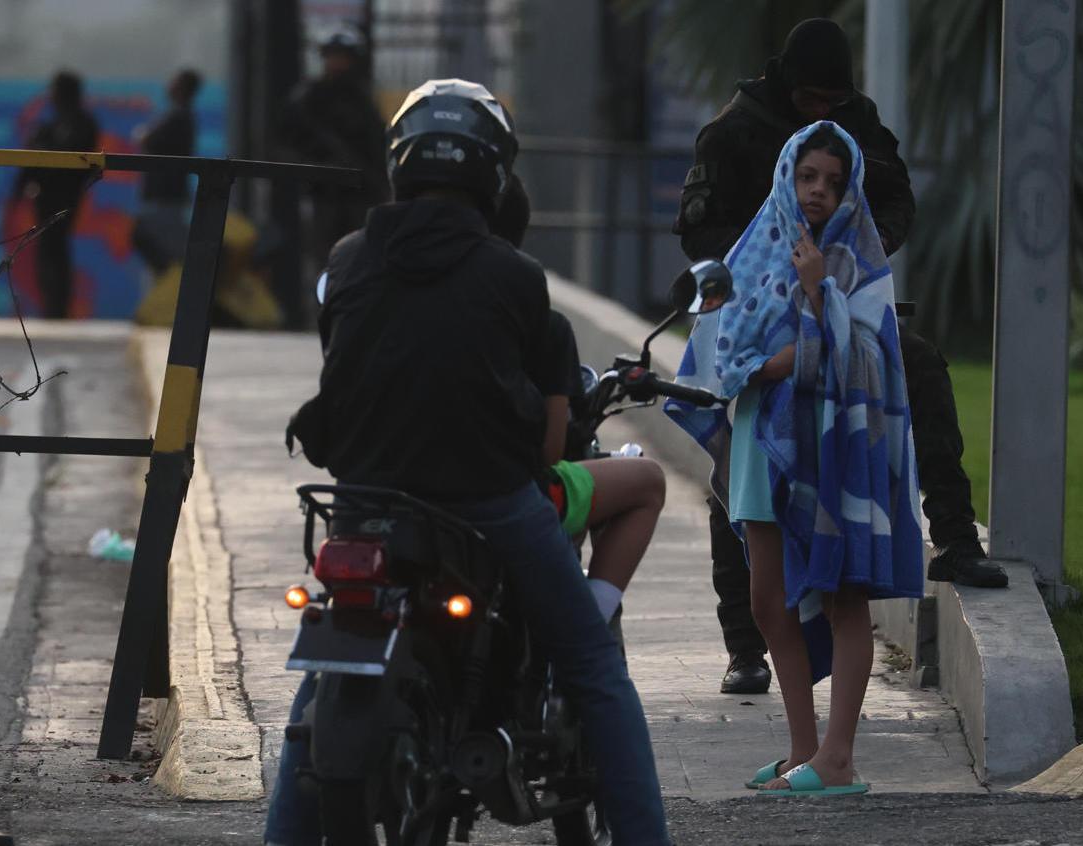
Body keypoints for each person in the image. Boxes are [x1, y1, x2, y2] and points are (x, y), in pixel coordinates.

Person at [272, 79, 670, 846]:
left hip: (361, 502)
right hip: (485, 502)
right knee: (592, 668)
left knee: (324, 678)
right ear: (494, 174)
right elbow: (545, 443)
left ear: (399, 162)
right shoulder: (514, 278)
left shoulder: (349, 260)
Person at [673, 16, 1006, 698]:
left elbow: (895, 196)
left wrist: (857, 253)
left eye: (832, 100)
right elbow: (700, 230)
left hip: (843, 301)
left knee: (921, 372)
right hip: (756, 312)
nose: (824, 113)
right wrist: (775, 257)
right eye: (812, 102)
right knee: (738, 478)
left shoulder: (855, 120)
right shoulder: (733, 131)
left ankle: (953, 536)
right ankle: (745, 647)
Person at [669, 122, 924, 795]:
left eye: (831, 182)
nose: (816, 192)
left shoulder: (854, 257)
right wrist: (756, 366)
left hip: (832, 443)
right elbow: (720, 348)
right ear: (787, 174)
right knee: (765, 597)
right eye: (807, 177)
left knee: (840, 594)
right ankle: (801, 750)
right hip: (761, 437)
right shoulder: (756, 244)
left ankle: (838, 759)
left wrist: (814, 295)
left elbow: (869, 359)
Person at [495, 176, 667, 620]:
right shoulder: (542, 323)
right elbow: (551, 450)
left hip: (395, 487)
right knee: (647, 479)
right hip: (508, 497)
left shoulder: (380, 288)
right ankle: (591, 622)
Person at [279, 24, 391, 318]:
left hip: (358, 193)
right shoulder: (308, 98)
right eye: (332, 56)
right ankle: (326, 311)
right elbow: (287, 143)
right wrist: (317, 166)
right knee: (325, 258)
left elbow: (376, 146)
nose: (336, 63)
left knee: (361, 256)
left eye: (342, 56)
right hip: (323, 193)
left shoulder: (362, 98)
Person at [15, 70, 99, 319]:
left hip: (64, 196)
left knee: (55, 251)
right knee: (47, 251)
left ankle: (57, 309)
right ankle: (50, 307)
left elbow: (72, 157)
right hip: (46, 196)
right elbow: (33, 158)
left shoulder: (81, 123)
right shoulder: (53, 123)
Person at [132, 68, 201, 274]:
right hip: (167, 197)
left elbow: (146, 139)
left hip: (165, 198)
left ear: (181, 88)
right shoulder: (180, 115)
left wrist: (143, 135)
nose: (169, 85)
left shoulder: (178, 117)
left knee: (166, 254)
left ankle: (173, 297)